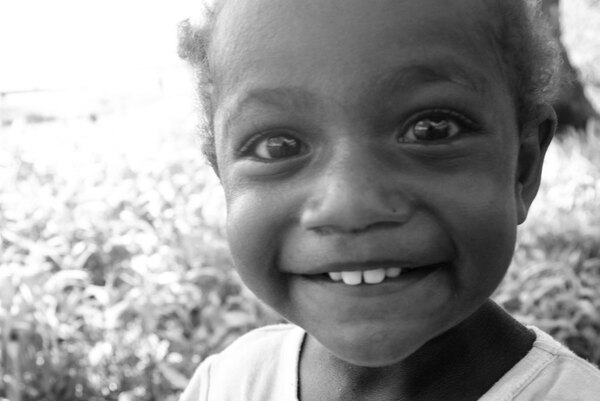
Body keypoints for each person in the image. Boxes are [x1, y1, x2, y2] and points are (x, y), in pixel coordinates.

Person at [177, 0, 600, 399]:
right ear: (223, 177)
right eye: (278, 146)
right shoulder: (229, 383)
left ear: (523, 168)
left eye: (432, 129)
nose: (350, 205)